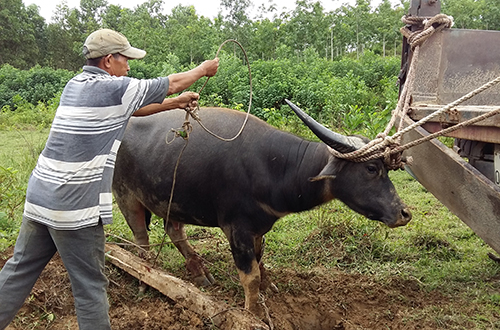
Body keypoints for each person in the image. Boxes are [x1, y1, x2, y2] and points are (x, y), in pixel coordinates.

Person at [0, 29, 219, 330]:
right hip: (75, 208)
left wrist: (174, 103)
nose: (128, 65)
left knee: (17, 271)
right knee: (90, 288)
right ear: (107, 60)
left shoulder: (75, 84)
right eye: (125, 58)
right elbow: (171, 83)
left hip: (40, 198)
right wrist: (203, 70)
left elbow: (134, 108)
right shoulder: (114, 88)